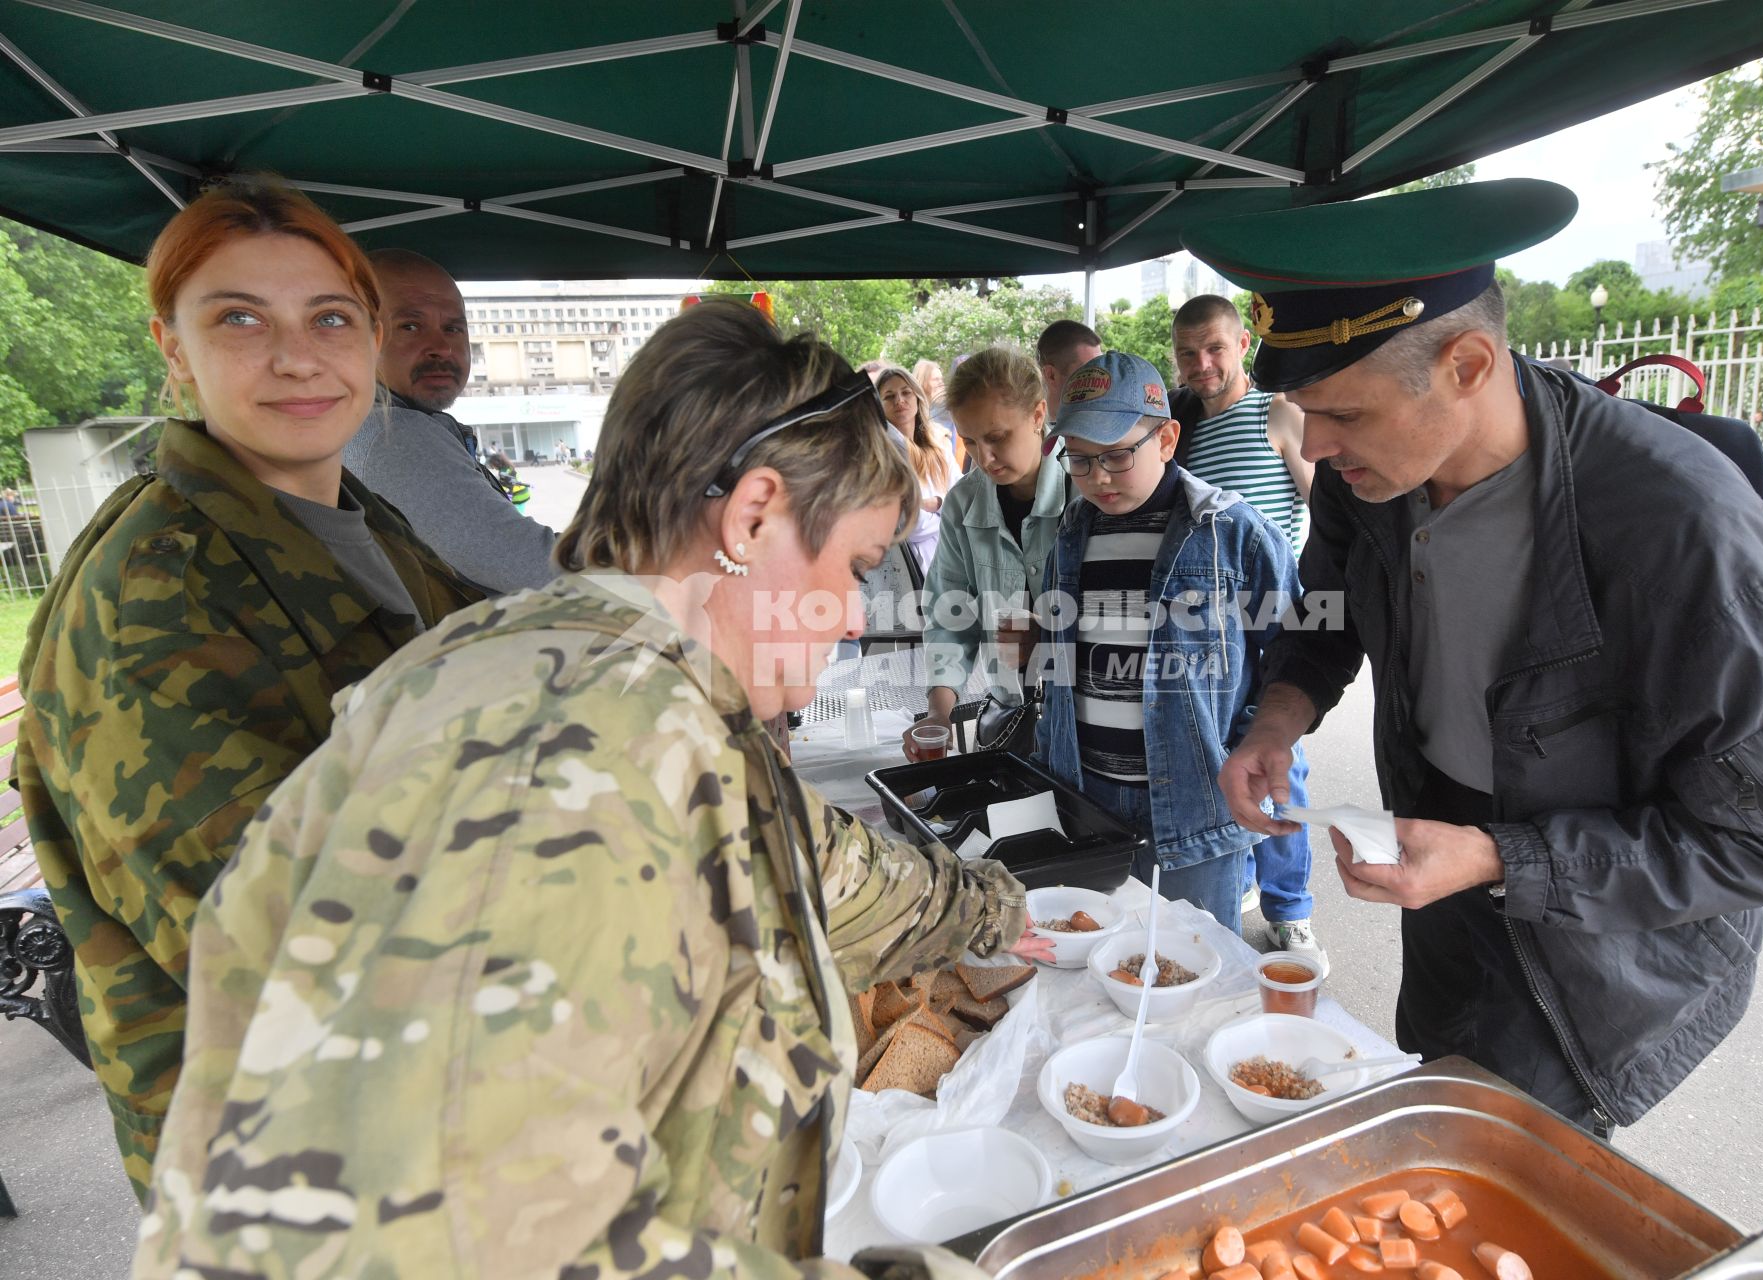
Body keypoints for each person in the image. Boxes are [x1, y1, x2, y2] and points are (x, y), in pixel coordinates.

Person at [134, 303, 1052, 1277]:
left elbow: (810, 863)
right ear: (752, 515)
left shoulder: (640, 688)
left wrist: (991, 909)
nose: (859, 612)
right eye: (858, 565)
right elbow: (431, 1233)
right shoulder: (568, 758)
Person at [1187, 178, 1763, 1133]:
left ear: (1467, 362)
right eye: (1304, 410)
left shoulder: (1679, 524)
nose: (1315, 445)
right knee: (1423, 1103)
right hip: (1446, 867)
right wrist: (1280, 712)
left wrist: (1503, 857)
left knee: (1493, 1170)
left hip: (1594, 943)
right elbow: (1329, 601)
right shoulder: (1371, 471)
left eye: (1344, 414)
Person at [11, 180, 483, 1199]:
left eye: (329, 317)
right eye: (238, 319)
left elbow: (507, 676)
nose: (297, 356)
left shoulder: (362, 523)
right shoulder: (152, 591)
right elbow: (279, 936)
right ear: (172, 347)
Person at [1031, 353, 1300, 929]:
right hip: (1086, 801)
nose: (1097, 477)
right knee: (1100, 964)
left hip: (1197, 804)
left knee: (1197, 974)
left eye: (1117, 455)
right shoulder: (1072, 532)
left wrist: (1244, 741)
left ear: (1168, 438)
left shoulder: (1234, 532)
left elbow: (1294, 654)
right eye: (1078, 459)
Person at [1169, 294, 1322, 965]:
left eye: (1215, 349)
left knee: (1284, 765)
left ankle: (1291, 911)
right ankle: (1249, 881)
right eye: (1188, 353)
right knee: (1223, 759)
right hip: (1204, 637)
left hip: (1270, 624)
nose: (1202, 364)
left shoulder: (1279, 413)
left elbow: (1330, 510)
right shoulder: (1184, 431)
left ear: (1240, 347)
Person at [341, 248, 560, 593]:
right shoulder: (394, 435)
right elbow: (540, 569)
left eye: (453, 328)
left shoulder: (365, 423)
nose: (441, 347)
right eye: (410, 326)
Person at [914, 346, 1069, 750]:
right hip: (1009, 713)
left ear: (1038, 416)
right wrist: (938, 713)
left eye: (998, 438)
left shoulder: (1086, 494)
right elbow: (949, 616)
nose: (984, 457)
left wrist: (1050, 638)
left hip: (1084, 715)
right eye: (970, 441)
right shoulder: (963, 503)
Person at [875, 365, 956, 572]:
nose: (899, 401)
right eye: (889, 396)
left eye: (906, 392)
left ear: (918, 396)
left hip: (952, 558)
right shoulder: (883, 456)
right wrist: (949, 513)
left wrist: (936, 504)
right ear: (879, 406)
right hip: (915, 567)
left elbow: (964, 499)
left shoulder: (939, 445)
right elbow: (910, 526)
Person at [1036, 319, 1103, 422]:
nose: (1100, 379)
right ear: (1051, 375)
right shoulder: (1027, 431)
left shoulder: (1101, 426)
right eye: (1088, 372)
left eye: (1101, 369)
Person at [914, 356, 964, 468]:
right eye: (936, 380)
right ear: (923, 381)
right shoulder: (914, 415)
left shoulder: (946, 409)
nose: (942, 384)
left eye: (941, 379)